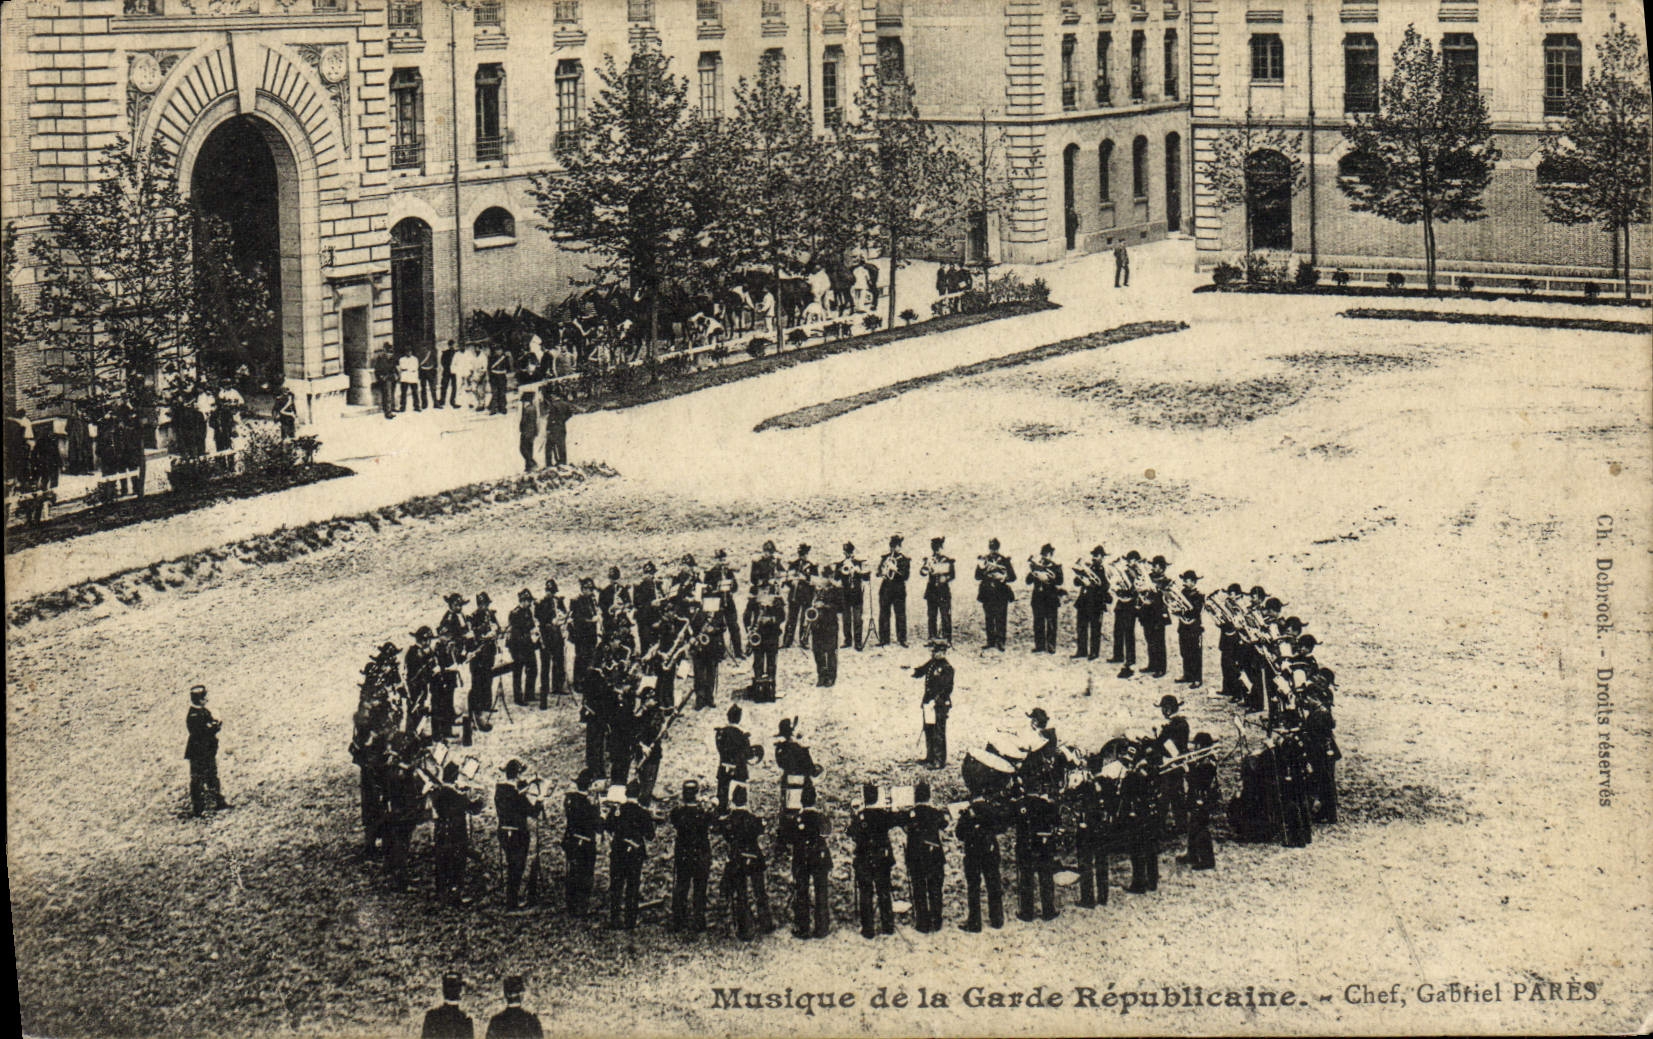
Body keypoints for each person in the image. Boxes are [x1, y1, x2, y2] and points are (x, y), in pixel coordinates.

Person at [716, 785, 774, 940]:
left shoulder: (728, 821)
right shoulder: (754, 819)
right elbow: (761, 830)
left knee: (741, 893)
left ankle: (745, 929)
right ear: (746, 800)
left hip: (737, 858)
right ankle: (766, 923)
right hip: (754, 856)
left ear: (733, 800)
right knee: (759, 891)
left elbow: (726, 835)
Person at [665, 779, 715, 934]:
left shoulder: (677, 813)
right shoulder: (703, 814)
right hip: (700, 854)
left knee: (681, 886)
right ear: (697, 794)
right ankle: (699, 920)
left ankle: (679, 920)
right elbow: (712, 822)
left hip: (684, 855)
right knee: (700, 888)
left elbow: (674, 820)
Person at [848, 783, 897, 939]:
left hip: (864, 858)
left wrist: (854, 815)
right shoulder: (883, 814)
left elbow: (850, 832)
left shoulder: (860, 816)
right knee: (884, 891)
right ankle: (888, 925)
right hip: (882, 858)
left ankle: (868, 929)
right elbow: (897, 820)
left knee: (866, 893)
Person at [783, 784, 832, 939]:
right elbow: (827, 832)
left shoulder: (797, 819)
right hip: (819, 857)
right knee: (821, 892)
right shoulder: (821, 818)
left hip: (802, 858)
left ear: (801, 801)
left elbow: (789, 838)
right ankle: (822, 928)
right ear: (815, 801)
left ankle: (803, 928)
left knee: (802, 892)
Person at [495, 758, 544, 910]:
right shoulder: (518, 796)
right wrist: (540, 800)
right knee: (517, 867)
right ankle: (512, 902)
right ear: (516, 776)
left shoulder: (500, 789)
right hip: (518, 834)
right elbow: (533, 812)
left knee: (512, 865)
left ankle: (512, 899)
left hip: (503, 831)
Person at [606, 780, 655, 930]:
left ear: (626, 794)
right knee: (632, 886)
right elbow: (650, 836)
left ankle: (614, 918)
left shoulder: (617, 810)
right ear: (639, 795)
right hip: (635, 853)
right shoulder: (643, 813)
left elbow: (608, 827)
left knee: (616, 885)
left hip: (618, 852)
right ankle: (630, 921)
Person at [956, 791, 1007, 931]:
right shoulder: (992, 809)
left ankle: (975, 922)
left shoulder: (967, 812)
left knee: (973, 887)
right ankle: (997, 919)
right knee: (993, 884)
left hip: (973, 852)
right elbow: (1002, 826)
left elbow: (959, 833)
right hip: (990, 850)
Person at [902, 781, 948, 933]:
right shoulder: (935, 812)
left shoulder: (910, 813)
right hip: (934, 855)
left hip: (916, 856)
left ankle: (923, 922)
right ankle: (937, 920)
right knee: (935, 888)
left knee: (919, 888)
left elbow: (903, 825)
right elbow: (944, 824)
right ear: (929, 796)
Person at [1014, 784, 1060, 922]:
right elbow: (1056, 820)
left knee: (1026, 879)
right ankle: (1048, 911)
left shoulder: (1019, 804)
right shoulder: (1046, 804)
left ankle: (1027, 913)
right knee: (1046, 877)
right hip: (1043, 846)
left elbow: (1012, 821)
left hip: (1025, 845)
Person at [184, 684, 232, 816]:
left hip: (207, 752)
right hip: (198, 753)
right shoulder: (194, 715)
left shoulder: (203, 711)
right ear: (199, 699)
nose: (207, 699)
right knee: (198, 780)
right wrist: (213, 726)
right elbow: (203, 732)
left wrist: (215, 725)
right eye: (204, 697)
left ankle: (218, 802)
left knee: (212, 777)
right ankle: (199, 809)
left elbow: (211, 725)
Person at [561, 770, 602, 916]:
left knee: (573, 871)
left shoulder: (570, 799)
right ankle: (583, 907)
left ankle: (571, 905)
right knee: (586, 874)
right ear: (590, 786)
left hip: (571, 839)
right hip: (585, 843)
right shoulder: (589, 805)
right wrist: (598, 809)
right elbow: (597, 827)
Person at [1178, 732, 1220, 871]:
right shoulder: (1205, 759)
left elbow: (1198, 781)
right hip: (1197, 796)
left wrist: (1188, 770)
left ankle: (1207, 860)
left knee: (1200, 827)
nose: (1194, 748)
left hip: (1202, 798)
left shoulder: (1207, 762)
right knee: (1193, 825)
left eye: (1196, 745)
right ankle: (1192, 854)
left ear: (1201, 745)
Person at [911, 641, 954, 769]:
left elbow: (947, 688)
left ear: (944, 652)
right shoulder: (932, 664)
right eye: (933, 651)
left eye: (937, 651)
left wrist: (936, 700)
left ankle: (939, 760)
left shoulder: (947, 668)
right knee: (929, 730)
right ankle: (930, 757)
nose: (934, 654)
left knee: (938, 731)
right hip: (928, 703)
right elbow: (920, 671)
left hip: (939, 704)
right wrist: (911, 670)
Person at [714, 705, 762, 809]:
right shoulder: (742, 735)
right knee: (739, 800)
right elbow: (747, 754)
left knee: (722, 799)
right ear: (739, 718)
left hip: (724, 769)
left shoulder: (720, 733)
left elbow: (719, 749)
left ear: (728, 717)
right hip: (739, 770)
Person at [744, 583, 784, 702]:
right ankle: (759, 688)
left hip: (772, 633)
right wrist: (749, 630)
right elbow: (746, 614)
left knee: (772, 662)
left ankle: (771, 689)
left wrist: (772, 619)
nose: (764, 591)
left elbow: (782, 616)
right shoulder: (754, 596)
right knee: (758, 662)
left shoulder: (776, 596)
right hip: (758, 634)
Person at [974, 538, 1016, 651]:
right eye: (991, 548)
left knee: (1001, 617)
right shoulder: (984, 560)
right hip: (987, 592)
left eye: (995, 548)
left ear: (998, 548)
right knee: (989, 618)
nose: (993, 550)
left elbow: (1013, 577)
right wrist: (986, 573)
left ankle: (1001, 642)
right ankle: (990, 641)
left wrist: (1003, 577)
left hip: (1001, 592)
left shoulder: (1004, 560)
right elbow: (977, 576)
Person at [467, 593, 501, 732]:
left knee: (488, 678)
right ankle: (478, 708)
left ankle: (487, 704)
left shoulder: (490, 614)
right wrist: (483, 635)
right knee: (477, 681)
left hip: (489, 652)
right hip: (478, 654)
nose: (485, 607)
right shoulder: (473, 617)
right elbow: (472, 634)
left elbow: (498, 627)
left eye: (486, 604)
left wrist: (495, 631)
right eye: (482, 605)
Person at [704, 549, 743, 660]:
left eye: (723, 559)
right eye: (719, 560)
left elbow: (735, 587)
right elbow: (706, 591)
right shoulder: (710, 573)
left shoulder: (728, 572)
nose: (722, 562)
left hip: (728, 602)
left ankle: (738, 652)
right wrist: (715, 589)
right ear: (715, 560)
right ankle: (720, 653)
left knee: (734, 626)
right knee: (718, 627)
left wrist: (730, 586)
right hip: (716, 603)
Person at [1073, 545, 1110, 659]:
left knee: (1095, 628)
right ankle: (1082, 650)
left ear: (1102, 557)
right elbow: (1076, 582)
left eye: (1096, 556)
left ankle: (1094, 652)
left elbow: (1105, 586)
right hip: (1083, 602)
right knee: (1081, 627)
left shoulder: (1103, 570)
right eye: (1093, 556)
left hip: (1096, 603)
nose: (1094, 558)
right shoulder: (1088, 567)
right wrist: (1081, 578)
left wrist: (1092, 585)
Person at [688, 599, 727, 710]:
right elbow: (691, 628)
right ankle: (700, 699)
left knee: (711, 674)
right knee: (699, 675)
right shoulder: (698, 613)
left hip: (712, 648)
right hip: (699, 648)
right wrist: (692, 639)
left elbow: (723, 627)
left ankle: (709, 698)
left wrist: (714, 629)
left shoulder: (718, 613)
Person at [1025, 543, 1064, 653]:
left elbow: (1060, 581)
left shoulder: (1056, 567)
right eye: (1043, 554)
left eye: (1047, 554)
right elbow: (1028, 581)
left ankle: (1051, 646)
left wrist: (1047, 577)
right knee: (1038, 623)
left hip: (1051, 599)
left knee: (1051, 623)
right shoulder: (1036, 566)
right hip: (1038, 599)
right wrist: (1034, 573)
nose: (1044, 557)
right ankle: (1040, 646)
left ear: (1051, 555)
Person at [534, 579, 567, 704]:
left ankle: (557, 686)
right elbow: (539, 620)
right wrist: (549, 622)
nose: (551, 594)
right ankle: (545, 688)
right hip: (547, 637)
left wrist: (561, 617)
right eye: (549, 591)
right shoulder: (540, 603)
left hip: (557, 636)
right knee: (545, 664)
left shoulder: (558, 601)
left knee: (558, 661)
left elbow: (564, 613)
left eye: (553, 592)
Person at [876, 534, 911, 647]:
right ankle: (884, 639)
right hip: (885, 589)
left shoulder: (904, 560)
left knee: (900, 614)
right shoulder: (885, 558)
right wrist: (883, 570)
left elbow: (905, 576)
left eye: (896, 546)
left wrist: (895, 569)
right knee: (884, 614)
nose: (893, 549)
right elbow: (878, 573)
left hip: (898, 589)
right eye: (892, 546)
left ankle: (902, 639)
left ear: (900, 547)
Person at [1110, 550, 1142, 676]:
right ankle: (1117, 655)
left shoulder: (1139, 573)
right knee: (1117, 629)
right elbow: (1117, 583)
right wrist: (1117, 588)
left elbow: (1138, 588)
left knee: (1128, 632)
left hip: (1131, 605)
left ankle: (1130, 659)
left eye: (1132, 560)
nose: (1130, 562)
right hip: (1121, 603)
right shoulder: (1124, 571)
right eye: (1129, 560)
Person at [781, 544, 817, 650]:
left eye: (805, 554)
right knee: (791, 619)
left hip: (806, 596)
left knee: (805, 619)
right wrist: (790, 582)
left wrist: (805, 578)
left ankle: (804, 640)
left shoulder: (812, 566)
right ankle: (787, 641)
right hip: (794, 596)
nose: (803, 556)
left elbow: (815, 581)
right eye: (801, 554)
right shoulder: (793, 564)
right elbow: (787, 579)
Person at [919, 536, 954, 643]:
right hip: (932, 591)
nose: (936, 551)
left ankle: (947, 638)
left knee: (945, 616)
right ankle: (932, 637)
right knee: (932, 615)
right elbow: (922, 572)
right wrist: (925, 569)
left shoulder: (947, 560)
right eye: (934, 549)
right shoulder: (929, 560)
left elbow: (952, 575)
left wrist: (946, 578)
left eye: (938, 549)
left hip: (943, 591)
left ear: (941, 548)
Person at [1173, 570, 1205, 687]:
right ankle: (1187, 675)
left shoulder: (1199, 595)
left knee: (1195, 653)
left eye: (1187, 581)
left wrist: (1183, 610)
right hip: (1183, 626)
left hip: (1194, 628)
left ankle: (1197, 678)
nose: (1185, 583)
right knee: (1184, 651)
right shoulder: (1182, 593)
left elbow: (1196, 611)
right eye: (1184, 581)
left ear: (1193, 582)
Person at [834, 542, 870, 650]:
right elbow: (836, 579)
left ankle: (858, 642)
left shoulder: (859, 563)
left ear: (852, 552)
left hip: (857, 594)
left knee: (858, 619)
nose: (848, 554)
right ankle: (848, 640)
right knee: (846, 619)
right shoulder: (840, 564)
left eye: (849, 552)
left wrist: (859, 571)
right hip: (845, 594)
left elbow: (867, 578)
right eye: (846, 552)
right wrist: (840, 570)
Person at [808, 574, 841, 687]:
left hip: (830, 624)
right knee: (818, 651)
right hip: (816, 625)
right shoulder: (814, 593)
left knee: (830, 651)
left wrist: (825, 605)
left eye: (821, 584)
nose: (819, 586)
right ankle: (821, 676)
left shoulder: (835, 592)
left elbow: (840, 607)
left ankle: (831, 677)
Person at [568, 577, 601, 687]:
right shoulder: (576, 601)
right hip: (581, 634)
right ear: (583, 589)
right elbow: (576, 618)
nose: (591, 591)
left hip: (591, 633)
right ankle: (578, 681)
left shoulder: (592, 600)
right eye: (588, 589)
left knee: (590, 657)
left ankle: (587, 680)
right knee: (581, 657)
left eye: (592, 589)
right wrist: (591, 621)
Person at [421, 972, 474, 1039]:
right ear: (460, 991)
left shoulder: (431, 1016)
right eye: (452, 987)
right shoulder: (466, 1020)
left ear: (443, 990)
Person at [374, 348, 398, 420]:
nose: (390, 355)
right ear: (385, 352)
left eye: (391, 353)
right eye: (389, 353)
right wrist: (381, 378)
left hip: (392, 378)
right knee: (388, 395)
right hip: (386, 379)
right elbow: (377, 370)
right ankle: (388, 412)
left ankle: (391, 408)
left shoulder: (392, 359)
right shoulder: (381, 360)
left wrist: (397, 375)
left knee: (391, 394)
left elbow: (394, 368)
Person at [487, 346, 512, 415]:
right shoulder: (491, 358)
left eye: (500, 350)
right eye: (497, 350)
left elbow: (508, 369)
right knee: (495, 393)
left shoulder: (505, 358)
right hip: (494, 378)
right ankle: (493, 409)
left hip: (502, 377)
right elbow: (489, 369)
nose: (498, 352)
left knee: (502, 393)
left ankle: (502, 408)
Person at [517, 394, 538, 472]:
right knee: (527, 449)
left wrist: (528, 433)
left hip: (527, 432)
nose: (523, 403)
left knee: (523, 449)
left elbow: (530, 423)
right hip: (527, 432)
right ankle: (529, 465)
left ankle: (531, 463)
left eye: (524, 402)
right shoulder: (530, 408)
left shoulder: (529, 409)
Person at [398, 347, 422, 412]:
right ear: (405, 352)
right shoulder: (402, 359)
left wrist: (408, 368)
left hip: (413, 377)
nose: (409, 353)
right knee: (403, 393)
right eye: (407, 352)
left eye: (410, 351)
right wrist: (409, 368)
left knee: (415, 392)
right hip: (405, 378)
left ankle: (416, 406)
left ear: (411, 352)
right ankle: (402, 407)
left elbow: (415, 367)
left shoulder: (415, 359)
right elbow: (402, 367)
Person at [438, 340, 458, 408]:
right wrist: (447, 367)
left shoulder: (456, 353)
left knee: (454, 387)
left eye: (453, 345)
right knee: (444, 386)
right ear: (449, 345)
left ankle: (452, 401)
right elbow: (442, 362)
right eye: (451, 345)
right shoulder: (445, 352)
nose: (452, 346)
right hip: (446, 371)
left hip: (454, 372)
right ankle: (442, 400)